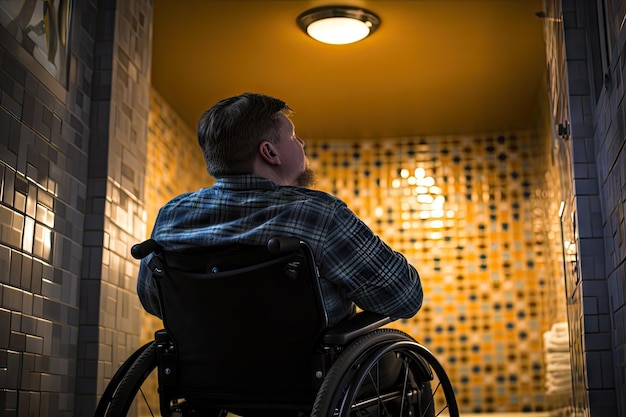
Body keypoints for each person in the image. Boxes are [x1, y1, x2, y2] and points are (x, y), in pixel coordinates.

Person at [137, 92, 423, 326]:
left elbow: (153, 301)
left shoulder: (172, 216)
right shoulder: (319, 214)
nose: (302, 143)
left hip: (206, 380)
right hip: (311, 385)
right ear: (270, 152)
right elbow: (404, 298)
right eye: (294, 136)